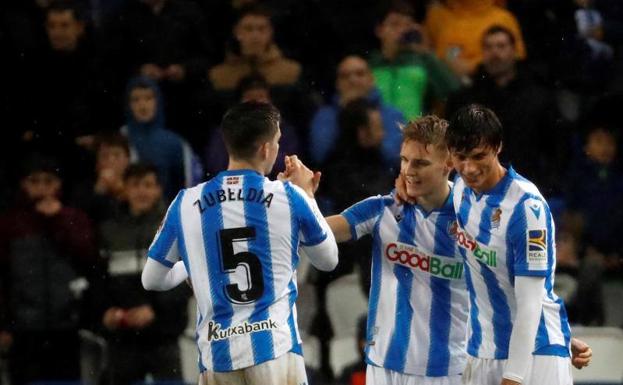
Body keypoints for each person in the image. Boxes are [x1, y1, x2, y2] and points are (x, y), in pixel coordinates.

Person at [285, 114, 593, 385]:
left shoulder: (470, 216)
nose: (408, 170)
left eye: (420, 162)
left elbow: (505, 285)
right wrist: (302, 198)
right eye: (404, 160)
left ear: (448, 164)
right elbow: (320, 232)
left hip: (451, 369)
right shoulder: (384, 210)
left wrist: (556, 339)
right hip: (383, 364)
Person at [141, 102, 339, 385]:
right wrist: (307, 195)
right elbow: (327, 259)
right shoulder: (288, 196)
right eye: (277, 142)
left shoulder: (185, 203)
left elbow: (152, 279)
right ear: (264, 149)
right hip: (275, 352)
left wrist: (195, 265)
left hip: (217, 358)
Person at [443, 104, 573, 385]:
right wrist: (404, 183)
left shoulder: (527, 209)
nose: (469, 168)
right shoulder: (461, 190)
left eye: (479, 156)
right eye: (461, 157)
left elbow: (529, 304)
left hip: (535, 355)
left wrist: (513, 377)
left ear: (498, 147)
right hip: (481, 351)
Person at [0, 154, 97, 385]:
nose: (42, 189)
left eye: (48, 181)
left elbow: (88, 258)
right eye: (35, 181)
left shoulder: (75, 217)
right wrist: (4, 325)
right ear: (24, 185)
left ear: (59, 185)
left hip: (68, 328)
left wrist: (58, 220)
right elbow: (2, 279)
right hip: (23, 331)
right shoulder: (9, 223)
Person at [97, 164, 191, 385]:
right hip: (122, 339)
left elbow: (186, 277)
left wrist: (154, 310)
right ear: (125, 189)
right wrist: (107, 311)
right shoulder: (108, 229)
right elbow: (99, 278)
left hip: (164, 335)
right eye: (135, 185)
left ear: (159, 189)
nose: (141, 191)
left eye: (148, 185)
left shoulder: (176, 226)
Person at [446, 25, 563, 194]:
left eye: (501, 46)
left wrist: (546, 186)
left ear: (514, 51)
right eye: (488, 47)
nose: (495, 54)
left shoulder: (538, 97)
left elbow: (556, 148)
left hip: (527, 188)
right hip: (475, 191)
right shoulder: (464, 100)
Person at [309, 55, 404, 169]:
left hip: (383, 182)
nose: (352, 80)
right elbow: (319, 155)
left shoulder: (392, 114)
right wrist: (348, 114)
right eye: (345, 76)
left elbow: (398, 159)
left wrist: (378, 143)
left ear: (371, 79)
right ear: (337, 83)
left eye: (360, 74)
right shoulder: (325, 116)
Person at [369, 1, 459, 120]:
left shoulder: (422, 61)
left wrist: (426, 52)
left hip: (414, 135)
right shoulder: (368, 65)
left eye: (407, 25)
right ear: (379, 30)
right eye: (395, 24)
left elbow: (453, 92)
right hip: (377, 135)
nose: (402, 30)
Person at [121, 76, 204, 201]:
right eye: (136, 100)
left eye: (148, 98)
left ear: (158, 101)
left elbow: (191, 188)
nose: (142, 105)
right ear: (128, 104)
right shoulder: (120, 139)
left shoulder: (176, 144)